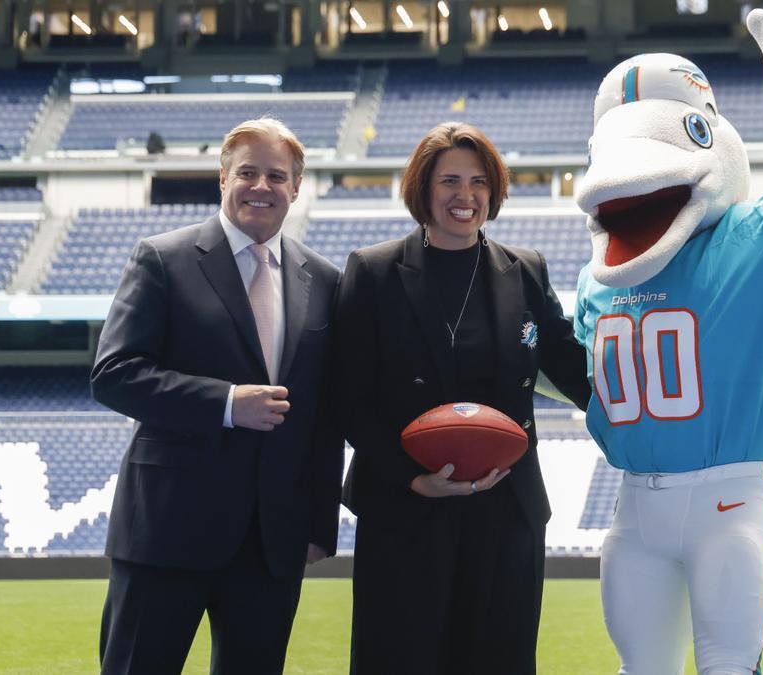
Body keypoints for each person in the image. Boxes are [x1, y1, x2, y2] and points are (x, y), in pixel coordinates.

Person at [573, 11, 763, 674]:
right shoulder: (597, 279)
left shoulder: (761, 235)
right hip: (633, 501)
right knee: (639, 667)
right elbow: (566, 367)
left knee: (729, 666)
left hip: (728, 500)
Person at [334, 122, 591, 674]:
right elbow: (348, 397)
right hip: (406, 506)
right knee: (399, 658)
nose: (465, 195)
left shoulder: (525, 270)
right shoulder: (372, 272)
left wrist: (645, 409)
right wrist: (411, 475)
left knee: (499, 659)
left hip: (506, 508)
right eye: (449, 180)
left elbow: (572, 365)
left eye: (478, 182)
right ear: (423, 188)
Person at [91, 117, 343, 674]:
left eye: (276, 175)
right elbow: (113, 372)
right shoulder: (163, 258)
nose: (262, 186)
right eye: (247, 172)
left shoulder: (324, 279)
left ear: (296, 188)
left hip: (271, 542)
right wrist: (227, 404)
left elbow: (325, 413)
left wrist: (319, 522)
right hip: (167, 532)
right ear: (222, 178)